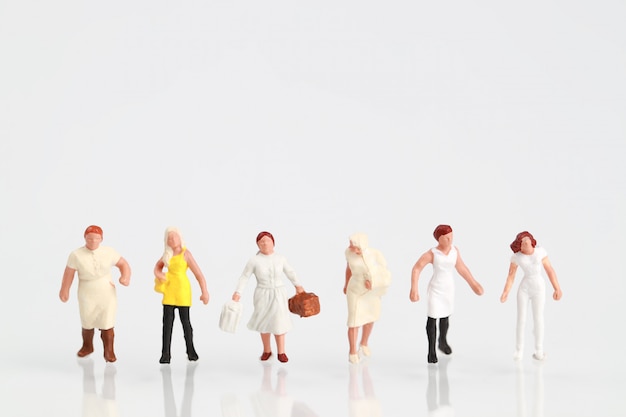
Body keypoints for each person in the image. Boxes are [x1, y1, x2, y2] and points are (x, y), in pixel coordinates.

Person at [410, 225, 484, 363]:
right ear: (439, 239)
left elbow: (462, 268)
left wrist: (473, 284)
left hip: (448, 289)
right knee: (432, 318)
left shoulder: (455, 251)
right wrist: (414, 288)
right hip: (435, 289)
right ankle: (431, 351)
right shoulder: (432, 253)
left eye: (452, 236)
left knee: (445, 317)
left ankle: (442, 342)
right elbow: (417, 268)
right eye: (447, 237)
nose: (450, 239)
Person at [59, 225, 131, 362]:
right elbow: (68, 274)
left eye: (96, 238)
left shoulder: (109, 252)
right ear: (85, 238)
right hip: (87, 292)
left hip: (106, 292)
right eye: (90, 238)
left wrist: (125, 277)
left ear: (101, 239)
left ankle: (109, 351)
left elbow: (123, 264)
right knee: (87, 320)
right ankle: (87, 346)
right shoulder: (76, 255)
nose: (93, 241)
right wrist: (64, 290)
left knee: (107, 321)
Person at [232, 231, 304, 363]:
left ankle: (281, 351)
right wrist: (238, 292)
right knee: (263, 322)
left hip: (278, 293)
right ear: (258, 245)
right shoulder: (254, 260)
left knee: (279, 321)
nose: (265, 243)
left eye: (267, 241)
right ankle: (267, 350)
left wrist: (298, 285)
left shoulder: (280, 258)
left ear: (273, 242)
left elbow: (290, 272)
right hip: (262, 293)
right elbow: (245, 277)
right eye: (261, 242)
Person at [500, 231, 562, 360]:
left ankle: (539, 350)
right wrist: (506, 292)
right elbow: (511, 276)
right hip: (524, 288)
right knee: (521, 319)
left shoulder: (540, 252)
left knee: (538, 319)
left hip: (539, 288)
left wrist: (557, 288)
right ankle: (519, 350)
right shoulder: (516, 257)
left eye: (529, 241)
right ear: (520, 246)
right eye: (524, 242)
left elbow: (549, 270)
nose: (527, 243)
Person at [154, 226, 210, 364]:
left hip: (182, 291)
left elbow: (199, 274)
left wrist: (204, 291)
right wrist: (159, 274)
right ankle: (165, 353)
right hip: (169, 290)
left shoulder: (186, 254)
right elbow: (157, 267)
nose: (172, 240)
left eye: (174, 237)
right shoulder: (166, 255)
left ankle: (191, 351)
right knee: (167, 324)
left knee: (186, 323)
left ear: (180, 238)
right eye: (169, 238)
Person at [344, 233, 391, 364]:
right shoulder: (349, 254)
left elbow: (384, 271)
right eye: (350, 244)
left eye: (353, 245)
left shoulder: (374, 254)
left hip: (371, 291)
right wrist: (346, 283)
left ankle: (364, 343)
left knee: (370, 317)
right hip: (355, 289)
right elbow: (348, 269)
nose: (350, 247)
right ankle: (352, 351)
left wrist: (374, 282)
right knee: (354, 321)